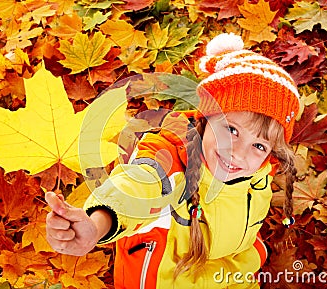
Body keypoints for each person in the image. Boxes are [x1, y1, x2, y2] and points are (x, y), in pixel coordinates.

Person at [46, 33, 300, 288]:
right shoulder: (168, 160)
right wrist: (97, 224)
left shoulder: (259, 176)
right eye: (231, 130)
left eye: (258, 145)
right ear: (206, 119)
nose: (238, 152)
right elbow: (135, 188)